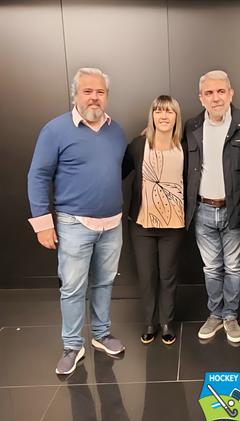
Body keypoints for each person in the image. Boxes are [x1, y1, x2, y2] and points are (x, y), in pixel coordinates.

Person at [28, 67, 127, 375]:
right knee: (72, 287)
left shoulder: (116, 130)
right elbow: (38, 175)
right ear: (75, 95)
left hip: (112, 224)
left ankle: (101, 334)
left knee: (104, 281)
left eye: (100, 92)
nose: (94, 97)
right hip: (73, 224)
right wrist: (43, 223)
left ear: (106, 96)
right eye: (88, 91)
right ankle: (72, 346)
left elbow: (117, 170)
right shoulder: (55, 130)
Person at [183, 70, 240, 343]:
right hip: (202, 210)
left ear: (231, 93)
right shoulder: (191, 126)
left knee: (234, 267)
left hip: (233, 209)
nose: (216, 98)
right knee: (211, 268)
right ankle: (215, 314)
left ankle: (230, 316)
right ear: (201, 98)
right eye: (209, 93)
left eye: (221, 91)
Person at [123, 95, 184, 345]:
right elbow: (119, 172)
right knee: (147, 276)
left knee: (168, 276)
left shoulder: (184, 145)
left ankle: (166, 322)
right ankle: (149, 322)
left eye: (169, 111)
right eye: (158, 111)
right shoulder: (138, 145)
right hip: (142, 224)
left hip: (174, 225)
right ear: (152, 115)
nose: (164, 116)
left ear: (176, 116)